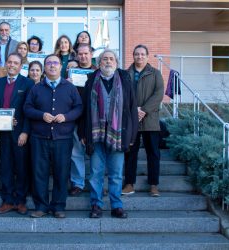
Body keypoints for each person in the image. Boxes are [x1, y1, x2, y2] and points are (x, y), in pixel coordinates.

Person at [78, 49, 138, 219]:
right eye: (105, 59)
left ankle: (116, 206)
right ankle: (96, 205)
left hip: (118, 136)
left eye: (111, 59)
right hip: (95, 135)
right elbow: (84, 109)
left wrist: (132, 136)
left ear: (116, 63)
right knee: (95, 173)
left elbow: (132, 109)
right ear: (99, 63)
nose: (108, 62)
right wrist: (83, 132)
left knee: (116, 174)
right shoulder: (90, 80)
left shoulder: (125, 80)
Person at [24, 54, 82, 218]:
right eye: (48, 63)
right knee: (39, 173)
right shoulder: (36, 88)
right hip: (39, 138)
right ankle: (41, 206)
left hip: (63, 138)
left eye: (55, 63)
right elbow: (27, 108)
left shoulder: (70, 87)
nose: (52, 66)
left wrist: (67, 117)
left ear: (60, 67)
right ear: (44, 67)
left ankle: (58, 207)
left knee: (61, 173)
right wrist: (41, 115)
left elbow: (79, 108)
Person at [0, 53, 34, 215]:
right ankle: (8, 200)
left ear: (20, 65)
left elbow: (29, 111)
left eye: (15, 63)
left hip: (20, 133)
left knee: (22, 167)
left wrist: (25, 131)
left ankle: (21, 200)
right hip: (2, 132)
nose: (11, 65)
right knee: (6, 167)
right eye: (9, 62)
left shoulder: (28, 83)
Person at [122, 44, 164, 197]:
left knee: (153, 153)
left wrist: (144, 110)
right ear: (133, 56)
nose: (139, 57)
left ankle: (153, 185)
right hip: (131, 121)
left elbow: (159, 94)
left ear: (147, 56)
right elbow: (123, 95)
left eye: (142, 54)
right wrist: (134, 111)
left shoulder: (155, 73)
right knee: (130, 153)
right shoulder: (126, 74)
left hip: (151, 120)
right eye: (137, 54)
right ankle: (129, 184)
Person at [69, 44, 98, 196]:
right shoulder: (72, 72)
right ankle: (78, 183)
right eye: (80, 54)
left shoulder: (97, 72)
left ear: (91, 54)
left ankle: (95, 182)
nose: (83, 56)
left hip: (94, 119)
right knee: (76, 153)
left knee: (95, 153)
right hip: (76, 117)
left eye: (86, 53)